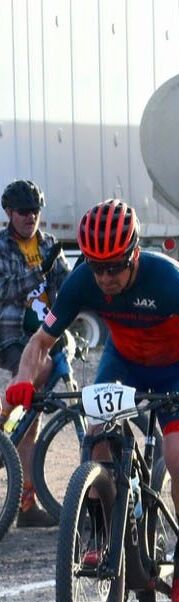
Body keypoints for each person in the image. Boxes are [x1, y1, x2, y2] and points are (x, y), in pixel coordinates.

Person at [6, 199, 179, 602]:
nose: (105, 278)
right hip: (124, 363)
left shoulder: (167, 278)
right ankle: (101, 532)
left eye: (114, 267)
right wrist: (24, 380)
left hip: (178, 368)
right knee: (96, 438)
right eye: (96, 267)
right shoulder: (83, 280)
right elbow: (40, 342)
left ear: (134, 254)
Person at [0, 179, 70, 526]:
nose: (31, 217)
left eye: (35, 211)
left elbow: (66, 287)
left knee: (31, 425)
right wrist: (37, 273)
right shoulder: (1, 247)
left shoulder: (49, 244)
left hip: (46, 333)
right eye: (24, 211)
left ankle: (27, 507)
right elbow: (4, 289)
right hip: (11, 335)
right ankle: (4, 412)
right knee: (37, 370)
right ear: (9, 213)